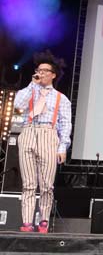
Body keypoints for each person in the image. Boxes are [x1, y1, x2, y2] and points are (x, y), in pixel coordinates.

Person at [13, 51, 72, 233]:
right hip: (29, 132)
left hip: (48, 134)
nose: (42, 73)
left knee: (46, 184)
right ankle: (27, 222)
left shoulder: (61, 98)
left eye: (46, 71)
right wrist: (33, 84)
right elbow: (18, 106)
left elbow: (65, 124)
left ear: (53, 74)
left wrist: (63, 147)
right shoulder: (30, 91)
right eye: (39, 70)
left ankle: (44, 220)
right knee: (28, 183)